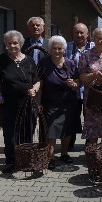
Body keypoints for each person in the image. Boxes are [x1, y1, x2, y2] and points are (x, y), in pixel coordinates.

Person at [0, 30, 41, 174]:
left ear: (20, 44)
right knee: (10, 134)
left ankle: (26, 159)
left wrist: (35, 90)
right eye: (9, 43)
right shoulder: (2, 59)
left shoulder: (29, 60)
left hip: (27, 103)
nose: (13, 46)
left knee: (27, 132)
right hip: (9, 104)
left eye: (15, 43)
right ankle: (11, 160)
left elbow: (37, 81)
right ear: (6, 45)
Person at [39, 35, 79, 170]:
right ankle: (50, 157)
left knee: (67, 130)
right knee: (51, 131)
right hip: (50, 102)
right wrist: (38, 101)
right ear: (50, 49)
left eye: (60, 48)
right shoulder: (44, 63)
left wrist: (74, 84)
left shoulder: (70, 63)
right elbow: (40, 82)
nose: (57, 51)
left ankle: (64, 153)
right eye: (54, 48)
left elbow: (78, 81)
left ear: (64, 49)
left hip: (68, 102)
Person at [65, 23, 94, 151]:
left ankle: (89, 143)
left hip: (90, 89)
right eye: (77, 32)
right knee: (72, 115)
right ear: (73, 33)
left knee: (89, 116)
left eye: (82, 32)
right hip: (73, 88)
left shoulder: (94, 47)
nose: (79, 35)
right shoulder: (67, 46)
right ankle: (69, 143)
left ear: (88, 34)